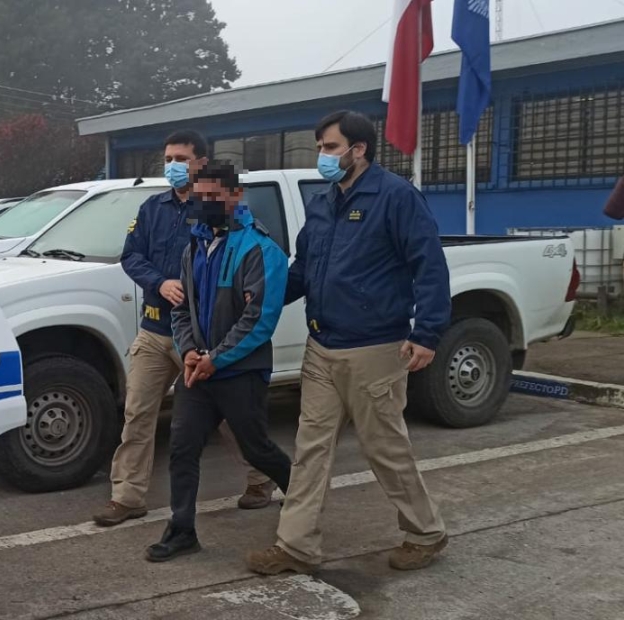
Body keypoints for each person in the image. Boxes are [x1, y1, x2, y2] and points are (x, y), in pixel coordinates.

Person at [246, 110, 451, 575]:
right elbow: (303, 269)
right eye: (320, 147)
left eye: (331, 147)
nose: (322, 155)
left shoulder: (395, 197)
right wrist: (261, 299)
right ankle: (295, 546)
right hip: (322, 346)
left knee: (385, 449)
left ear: (359, 150)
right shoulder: (323, 203)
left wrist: (427, 333)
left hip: (374, 348)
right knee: (310, 449)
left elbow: (429, 265)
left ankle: (425, 532)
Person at [93, 131, 275, 528]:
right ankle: (127, 497)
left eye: (181, 158)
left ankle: (261, 478)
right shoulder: (152, 208)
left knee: (229, 417)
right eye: (168, 158)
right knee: (137, 414)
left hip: (201, 337)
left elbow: (242, 256)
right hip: (155, 329)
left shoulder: (217, 209)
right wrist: (160, 283)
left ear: (201, 163)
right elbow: (132, 257)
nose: (172, 166)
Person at [145, 161, 292, 562]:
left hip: (240, 372)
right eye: (200, 196)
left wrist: (217, 358)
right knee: (182, 447)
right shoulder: (194, 246)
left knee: (256, 449)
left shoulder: (260, 250)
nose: (206, 203)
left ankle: (301, 499)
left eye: (214, 195)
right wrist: (189, 351)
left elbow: (259, 319)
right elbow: (181, 309)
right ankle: (181, 530)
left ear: (235, 195)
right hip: (199, 370)